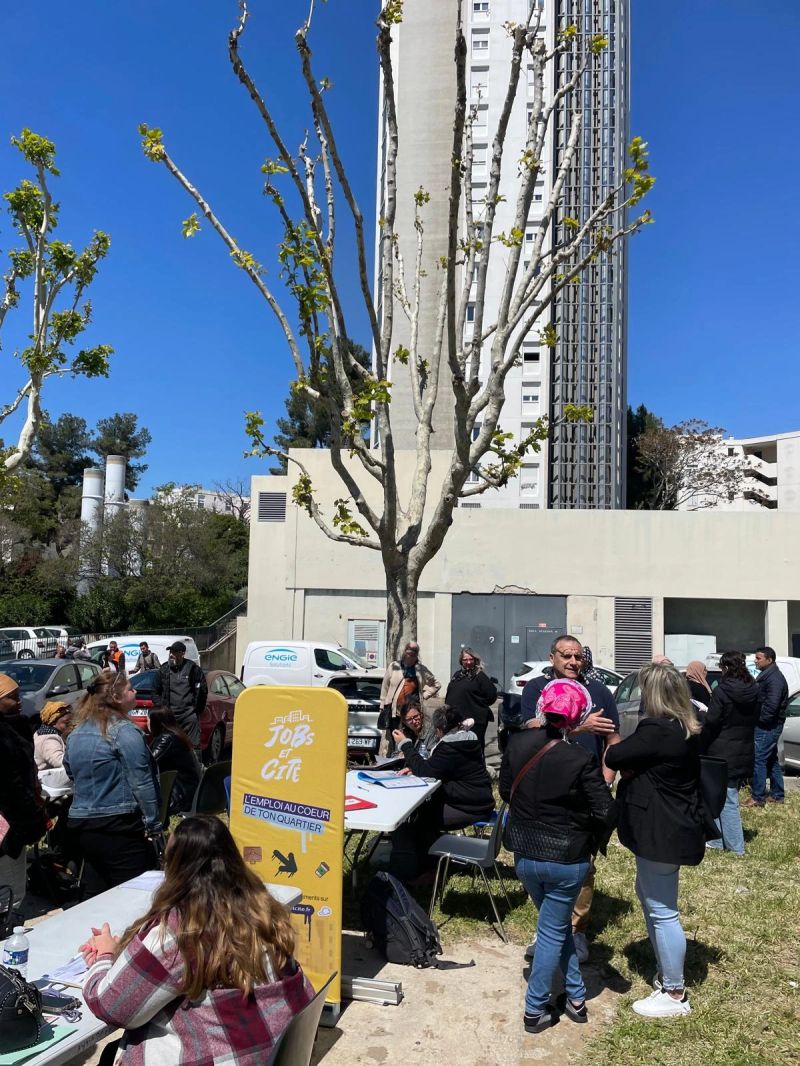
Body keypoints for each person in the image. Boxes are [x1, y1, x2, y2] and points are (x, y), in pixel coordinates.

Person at [79, 815, 315, 1065]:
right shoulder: (263, 911)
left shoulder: (182, 931)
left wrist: (104, 958)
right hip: (265, 1053)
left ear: (175, 868)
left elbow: (111, 1006)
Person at [499, 678, 614, 1033]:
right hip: (567, 858)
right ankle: (534, 1009)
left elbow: (505, 790)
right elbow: (606, 812)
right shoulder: (579, 757)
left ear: (542, 709)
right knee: (551, 931)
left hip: (525, 856)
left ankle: (576, 998)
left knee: (557, 926)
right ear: (578, 714)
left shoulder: (517, 743)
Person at [508, 634, 620, 963]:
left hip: (585, 788)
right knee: (540, 860)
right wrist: (579, 728)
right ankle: (548, 925)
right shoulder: (536, 690)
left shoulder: (599, 692)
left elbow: (614, 739)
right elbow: (533, 730)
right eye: (565, 656)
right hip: (543, 787)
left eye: (577, 656)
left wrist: (607, 778)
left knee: (582, 864)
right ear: (552, 657)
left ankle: (577, 930)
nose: (572, 662)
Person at [605, 661, 705, 1019]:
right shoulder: (683, 726)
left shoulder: (657, 731)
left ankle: (675, 993)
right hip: (672, 829)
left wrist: (611, 739)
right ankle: (668, 974)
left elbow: (615, 756)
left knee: (663, 912)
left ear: (655, 695)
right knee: (650, 897)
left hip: (661, 833)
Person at [64, 670, 162, 892]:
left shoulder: (76, 733)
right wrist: (154, 823)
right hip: (118, 824)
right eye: (130, 689)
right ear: (116, 698)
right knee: (132, 892)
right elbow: (141, 781)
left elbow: (71, 770)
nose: (135, 691)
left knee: (96, 893)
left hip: (82, 824)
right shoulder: (124, 731)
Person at [388, 704, 494, 882]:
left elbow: (426, 770)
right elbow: (436, 768)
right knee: (421, 814)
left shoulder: (449, 747)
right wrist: (416, 768)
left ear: (439, 730)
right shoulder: (468, 739)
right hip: (478, 799)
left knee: (418, 819)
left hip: (470, 806)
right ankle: (432, 863)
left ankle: (423, 870)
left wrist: (405, 744)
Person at [702, 651, 758, 856]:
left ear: (725, 668)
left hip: (720, 748)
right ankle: (718, 842)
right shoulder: (754, 689)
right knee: (726, 794)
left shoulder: (721, 691)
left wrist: (701, 722)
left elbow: (712, 721)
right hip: (743, 747)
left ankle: (733, 846)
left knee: (722, 797)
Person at [0, 674, 49, 905]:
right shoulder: (5, 736)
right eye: (12, 697)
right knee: (10, 893)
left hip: (14, 822)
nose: (19, 701)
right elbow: (12, 786)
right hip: (8, 825)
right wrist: (29, 820)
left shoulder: (16, 726)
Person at [744, 646, 789, 808]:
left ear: (769, 660)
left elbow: (772, 705)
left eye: (758, 658)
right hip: (767, 724)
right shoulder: (768, 675)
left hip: (768, 725)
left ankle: (757, 797)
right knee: (771, 759)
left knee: (759, 759)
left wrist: (760, 720)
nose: (755, 661)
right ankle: (777, 795)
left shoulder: (774, 679)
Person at [379, 641, 440, 755]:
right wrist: (382, 705)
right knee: (395, 737)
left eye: (414, 651)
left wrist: (424, 695)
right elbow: (385, 687)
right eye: (409, 650)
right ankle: (397, 760)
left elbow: (436, 684)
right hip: (395, 712)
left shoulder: (421, 669)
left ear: (417, 654)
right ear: (404, 651)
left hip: (412, 711)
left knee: (412, 737)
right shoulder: (394, 666)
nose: (410, 653)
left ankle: (412, 760)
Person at [153, 641, 208, 754]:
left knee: (193, 746)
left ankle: (196, 768)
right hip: (170, 717)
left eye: (174, 652)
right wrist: (161, 708)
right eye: (170, 652)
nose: (171, 655)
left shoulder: (193, 669)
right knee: (169, 745)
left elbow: (202, 690)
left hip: (188, 715)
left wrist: (195, 711)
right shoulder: (164, 669)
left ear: (182, 653)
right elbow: (155, 691)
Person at [148, 707, 202, 815]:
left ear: (155, 721)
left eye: (148, 719)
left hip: (178, 796)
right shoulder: (175, 734)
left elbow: (148, 764)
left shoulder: (166, 739)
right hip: (187, 791)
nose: (147, 723)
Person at [444, 647, 497, 750]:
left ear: (475, 660)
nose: (468, 662)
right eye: (465, 660)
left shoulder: (479, 676)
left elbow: (492, 695)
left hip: (475, 720)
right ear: (461, 661)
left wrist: (478, 704)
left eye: (471, 659)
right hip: (457, 719)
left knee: (474, 748)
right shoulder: (457, 675)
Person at [34, 700, 72, 770]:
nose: (70, 725)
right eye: (67, 722)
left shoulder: (42, 732)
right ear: (53, 721)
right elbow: (59, 761)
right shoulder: (49, 739)